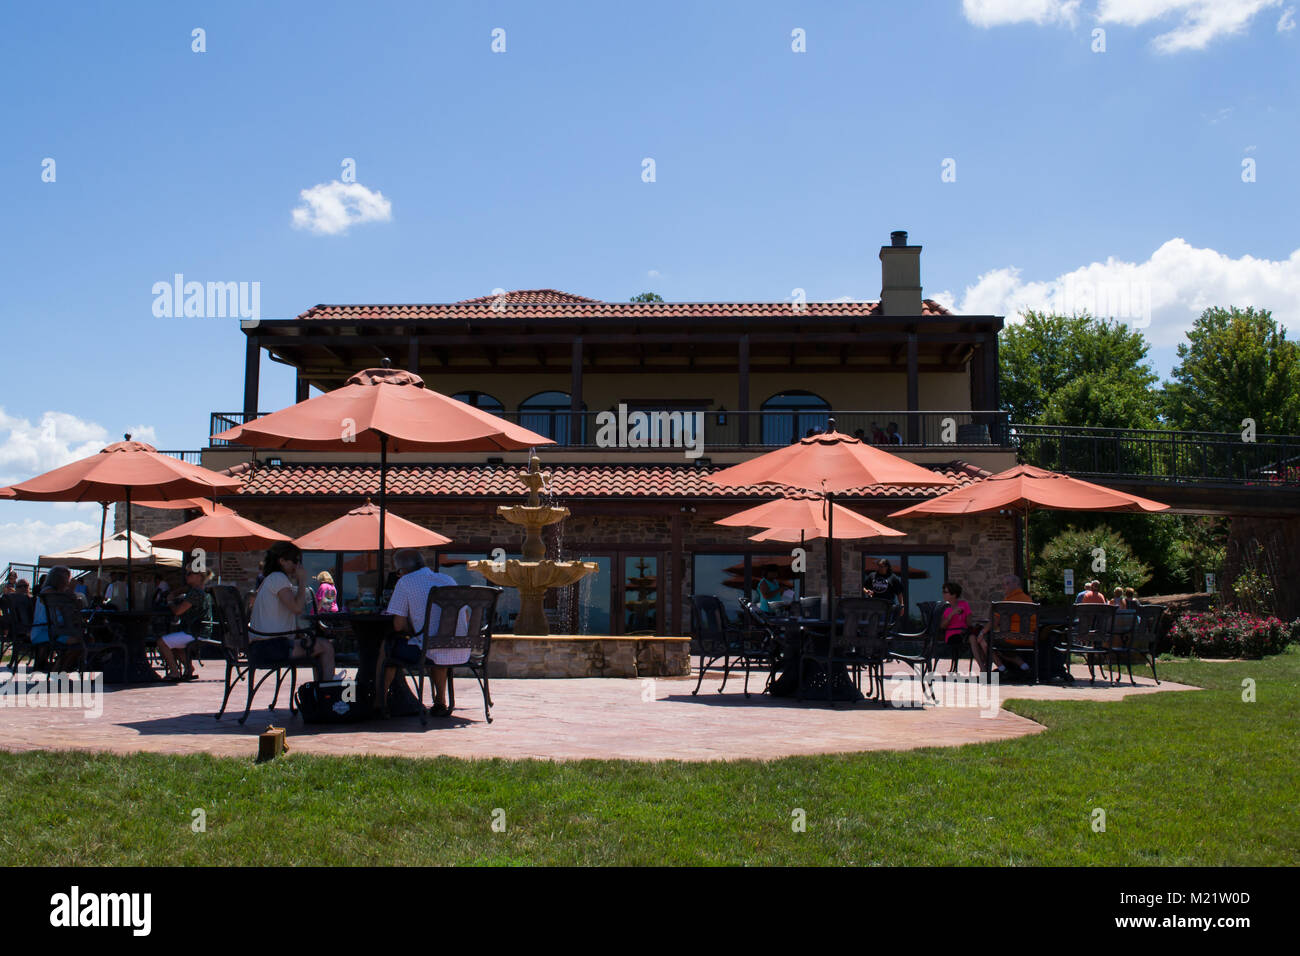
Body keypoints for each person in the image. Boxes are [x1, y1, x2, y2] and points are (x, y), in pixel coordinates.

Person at [383, 548, 469, 718]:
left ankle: (380, 702)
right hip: (461, 648)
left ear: (402, 570)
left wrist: (414, 629)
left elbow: (398, 625)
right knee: (436, 646)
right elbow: (465, 615)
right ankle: (440, 701)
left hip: (428, 651)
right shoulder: (448, 579)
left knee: (387, 648)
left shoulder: (405, 582)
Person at [248, 541, 338, 684]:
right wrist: (302, 581)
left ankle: (321, 690)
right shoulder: (278, 578)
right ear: (282, 561)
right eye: (295, 561)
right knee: (326, 646)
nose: (297, 565)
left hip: (262, 646)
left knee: (317, 645)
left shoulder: (270, 579)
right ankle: (326, 695)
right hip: (271, 647)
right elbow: (297, 608)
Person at [156, 568, 212, 681]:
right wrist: (178, 591)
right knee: (175, 645)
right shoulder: (200, 591)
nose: (187, 576)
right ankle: (189, 669)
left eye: (190, 574)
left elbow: (178, 611)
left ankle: (174, 673)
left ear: (199, 577)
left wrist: (170, 601)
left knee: (161, 642)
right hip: (201, 630)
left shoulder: (195, 593)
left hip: (195, 632)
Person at [972, 573, 1033, 674]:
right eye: (1004, 584)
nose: (1005, 586)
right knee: (994, 641)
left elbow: (994, 622)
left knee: (985, 639)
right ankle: (1022, 664)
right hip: (1030, 639)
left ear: (1017, 584)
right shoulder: (1028, 600)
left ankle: (1002, 668)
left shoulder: (1007, 602)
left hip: (1011, 638)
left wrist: (982, 632)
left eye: (1007, 583)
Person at [30, 566, 78, 669]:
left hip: (55, 630)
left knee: (85, 639)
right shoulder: (48, 592)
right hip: (45, 631)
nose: (68, 582)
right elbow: (66, 608)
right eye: (67, 579)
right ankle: (59, 669)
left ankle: (60, 667)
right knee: (78, 642)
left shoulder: (56, 592)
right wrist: (70, 591)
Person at [938, 582, 972, 653]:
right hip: (951, 635)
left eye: (945, 592)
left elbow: (969, 623)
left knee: (974, 638)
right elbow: (942, 626)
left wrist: (967, 614)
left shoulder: (964, 604)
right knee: (970, 639)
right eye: (943, 592)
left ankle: (982, 663)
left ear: (954, 594)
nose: (943, 594)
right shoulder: (944, 608)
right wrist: (952, 614)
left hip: (964, 634)